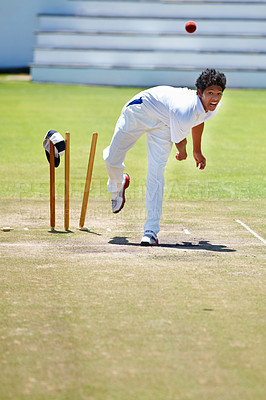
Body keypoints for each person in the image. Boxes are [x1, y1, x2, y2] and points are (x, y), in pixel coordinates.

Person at [103, 68, 226, 246]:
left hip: (165, 124)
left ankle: (150, 231)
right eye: (210, 93)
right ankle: (117, 185)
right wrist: (183, 153)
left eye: (219, 93)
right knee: (111, 158)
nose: (215, 98)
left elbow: (199, 118)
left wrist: (197, 151)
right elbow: (180, 141)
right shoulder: (184, 111)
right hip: (139, 111)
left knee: (156, 173)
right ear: (199, 93)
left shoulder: (212, 105)